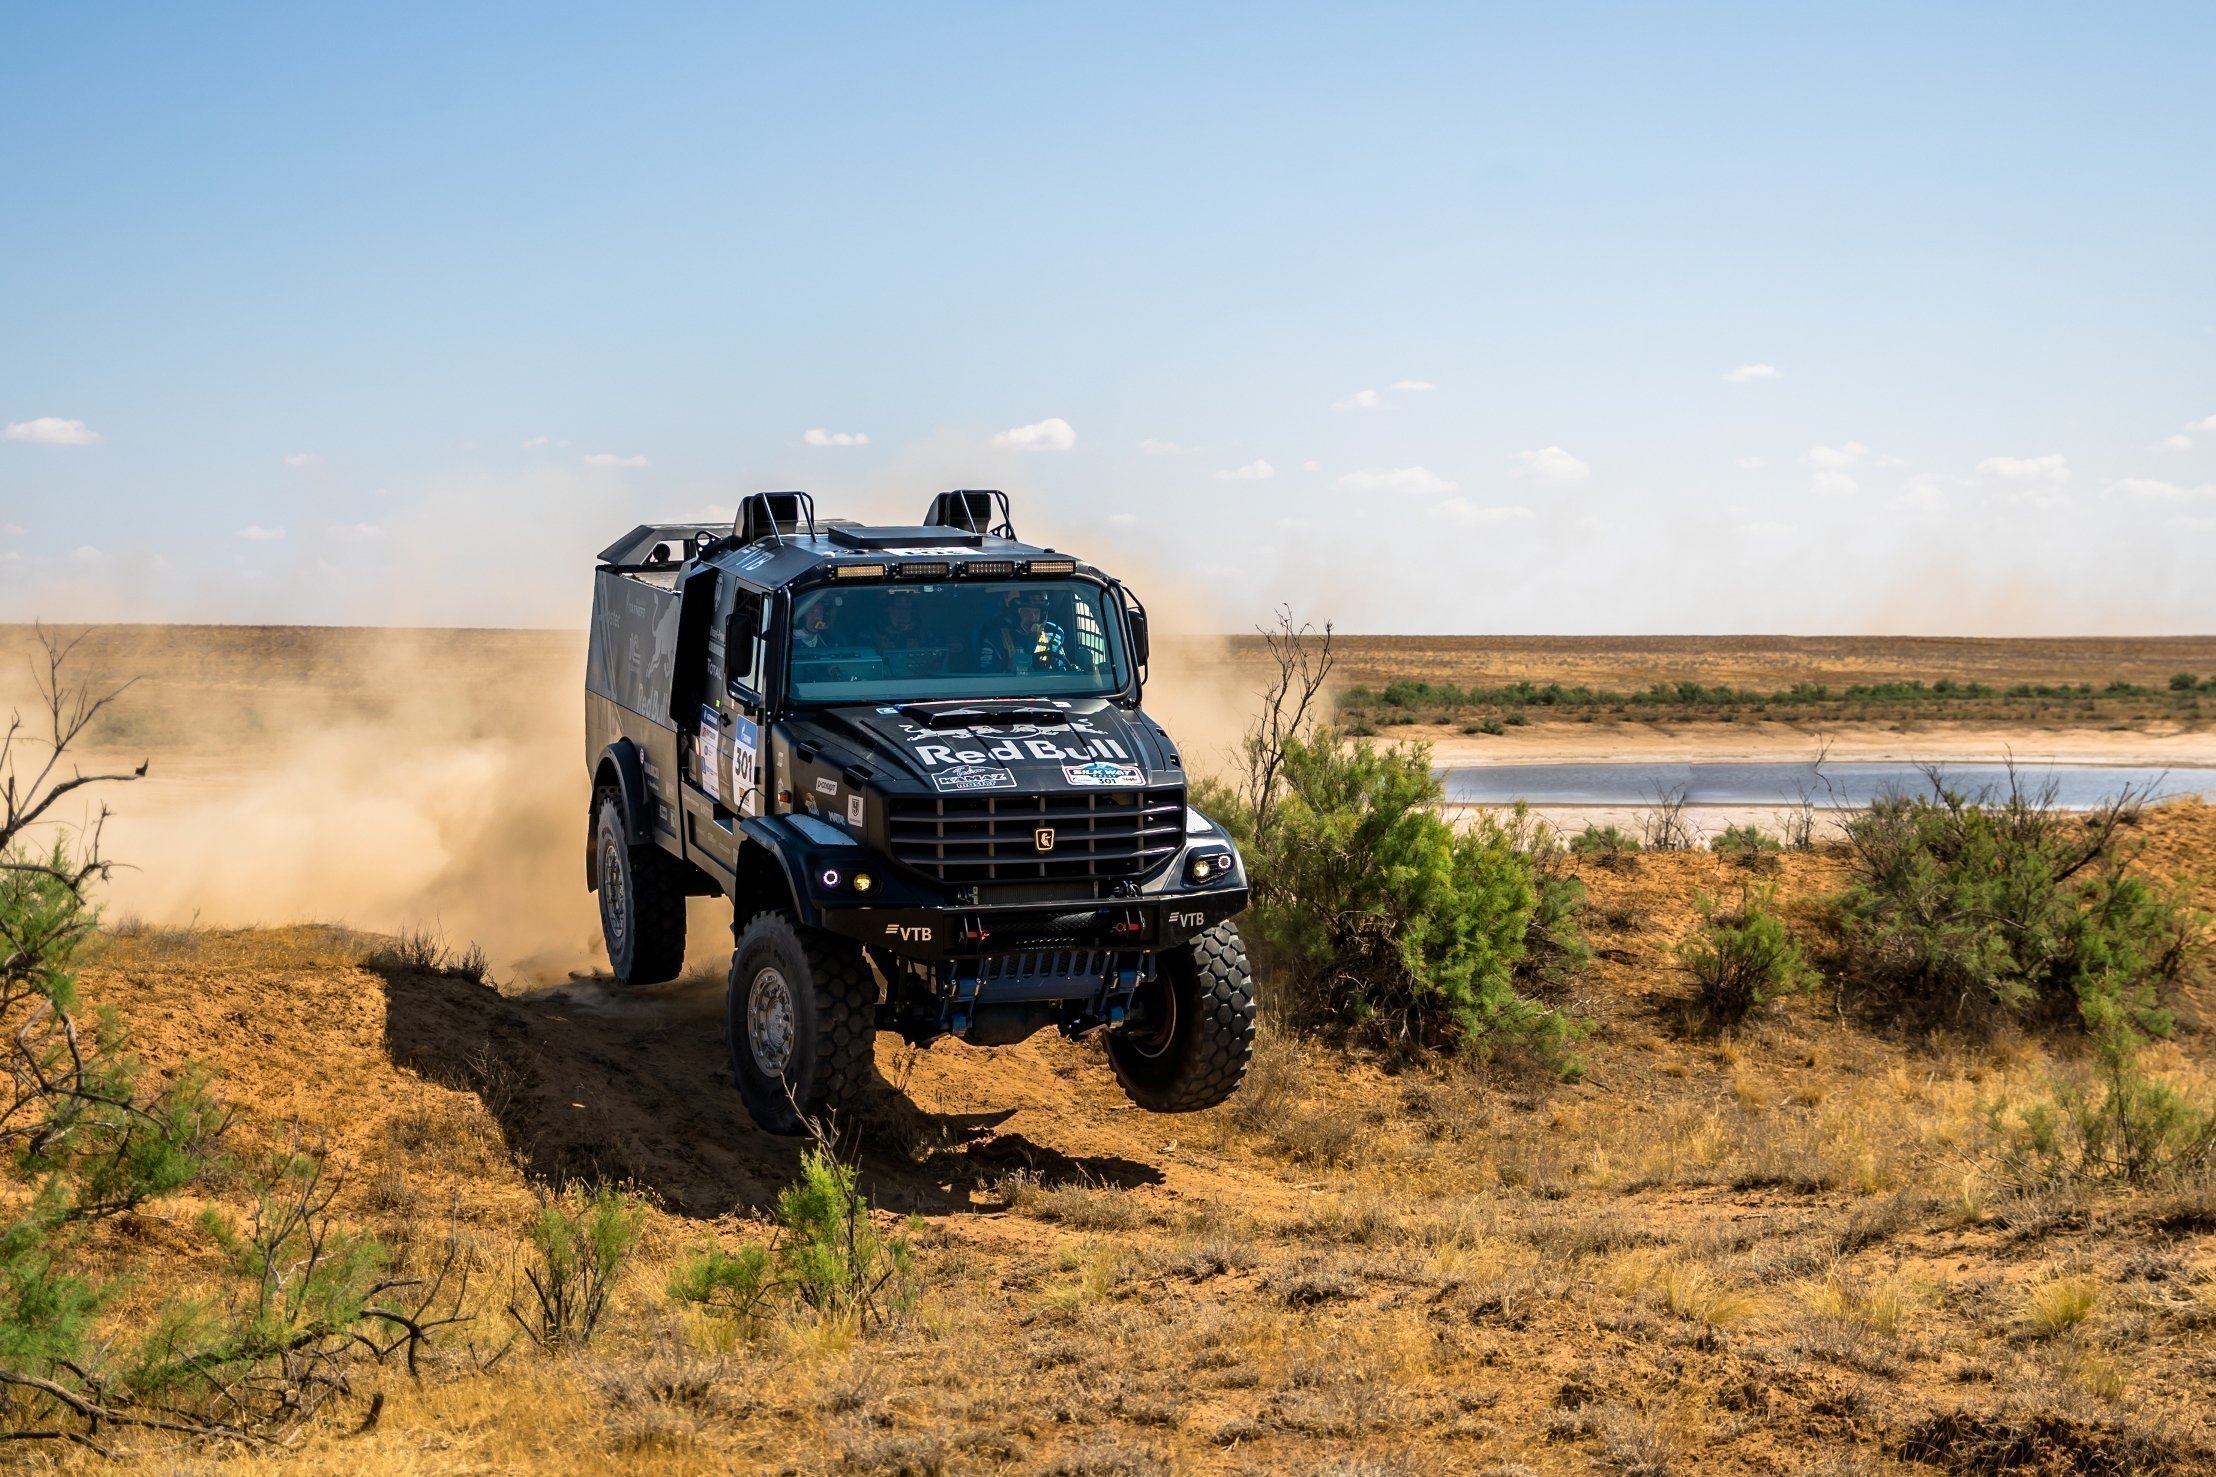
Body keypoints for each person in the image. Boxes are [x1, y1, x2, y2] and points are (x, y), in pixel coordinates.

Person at [976, 589, 1071, 673]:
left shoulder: (1053, 634)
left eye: (1036, 612)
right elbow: (988, 678)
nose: (1033, 617)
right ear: (1014, 615)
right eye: (1026, 612)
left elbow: (1062, 671)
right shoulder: (995, 638)